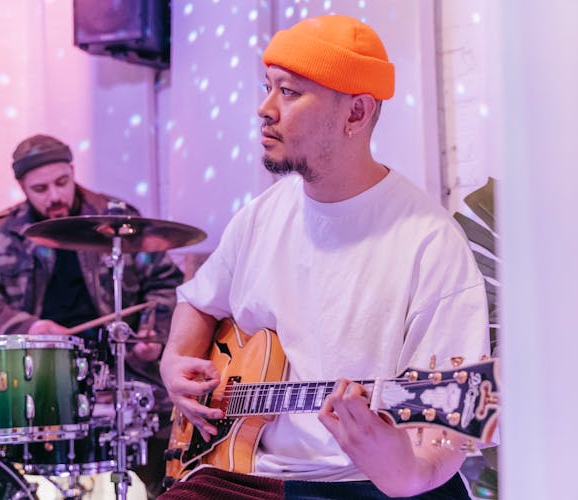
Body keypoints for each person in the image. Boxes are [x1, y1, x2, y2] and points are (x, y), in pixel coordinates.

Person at [159, 14, 490, 500]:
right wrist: (175, 361)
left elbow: (444, 442)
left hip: (366, 485)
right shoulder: (260, 216)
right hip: (252, 472)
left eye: (288, 92)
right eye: (267, 87)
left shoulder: (429, 245)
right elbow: (199, 300)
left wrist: (404, 471)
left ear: (355, 114)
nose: (263, 108)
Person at [0, 133, 184, 499]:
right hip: (37, 380)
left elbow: (166, 283)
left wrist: (150, 332)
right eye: (41, 188)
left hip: (124, 371)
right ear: (22, 188)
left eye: (62, 182)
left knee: (167, 454)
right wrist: (31, 328)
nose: (55, 196)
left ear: (72, 172)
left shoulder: (117, 218)